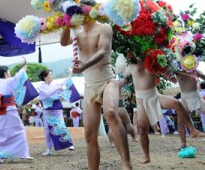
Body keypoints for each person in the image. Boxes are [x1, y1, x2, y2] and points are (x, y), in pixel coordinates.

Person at [61, 21, 131, 170]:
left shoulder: (104, 27)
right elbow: (62, 42)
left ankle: (126, 162)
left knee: (111, 113)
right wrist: (66, 23)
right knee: (89, 134)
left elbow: (103, 51)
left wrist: (84, 65)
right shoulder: (77, 34)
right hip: (89, 84)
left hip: (107, 79)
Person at [129, 57, 205, 164]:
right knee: (142, 130)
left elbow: (166, 70)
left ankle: (192, 130)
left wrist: (169, 76)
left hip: (154, 94)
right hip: (141, 98)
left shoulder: (154, 57)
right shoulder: (132, 61)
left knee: (177, 103)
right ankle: (146, 156)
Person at [0, 57, 33, 164]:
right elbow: (19, 76)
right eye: (9, 72)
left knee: (1, 133)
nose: (10, 74)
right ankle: (23, 154)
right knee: (19, 130)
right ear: (5, 74)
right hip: (8, 110)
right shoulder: (8, 81)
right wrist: (24, 66)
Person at [38, 69, 76, 156]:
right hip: (47, 110)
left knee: (61, 126)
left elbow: (65, 83)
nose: (52, 76)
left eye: (52, 74)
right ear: (45, 77)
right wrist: (57, 88)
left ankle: (70, 144)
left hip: (57, 109)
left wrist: (70, 73)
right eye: (50, 75)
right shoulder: (41, 87)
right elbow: (47, 94)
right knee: (48, 130)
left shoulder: (55, 84)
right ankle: (49, 149)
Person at [176, 70, 205, 148]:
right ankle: (183, 143)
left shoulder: (193, 68)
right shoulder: (176, 69)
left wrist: (200, 75)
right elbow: (172, 79)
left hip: (196, 96)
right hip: (184, 97)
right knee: (180, 122)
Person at [108, 77, 139, 147]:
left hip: (110, 105)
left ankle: (111, 143)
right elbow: (126, 79)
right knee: (128, 123)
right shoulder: (117, 83)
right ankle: (134, 137)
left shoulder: (105, 85)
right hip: (119, 105)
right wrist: (127, 75)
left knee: (111, 126)